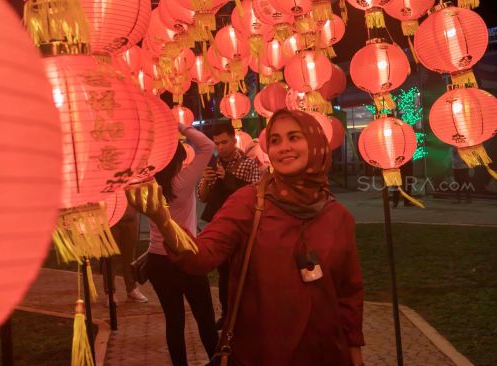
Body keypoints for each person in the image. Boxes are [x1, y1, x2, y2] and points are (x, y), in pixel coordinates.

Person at [129, 110, 365, 366]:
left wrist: (355, 353)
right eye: (275, 140)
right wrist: (163, 220)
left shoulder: (338, 217)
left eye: (293, 137)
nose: (283, 147)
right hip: (262, 350)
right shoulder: (249, 202)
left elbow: (348, 293)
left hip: (325, 351)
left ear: (316, 144)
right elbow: (202, 256)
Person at [147, 123, 219, 366]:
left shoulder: (149, 185)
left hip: (157, 260)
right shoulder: (182, 182)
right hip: (186, 256)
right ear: (179, 159)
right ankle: (217, 361)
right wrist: (178, 126)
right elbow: (207, 146)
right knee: (205, 319)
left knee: (174, 321)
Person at [197, 123, 260, 327]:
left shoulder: (248, 164)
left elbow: (256, 194)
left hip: (243, 228)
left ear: (234, 140)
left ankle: (247, 314)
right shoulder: (213, 165)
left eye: (224, 142)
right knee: (224, 274)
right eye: (217, 144)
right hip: (220, 227)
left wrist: (228, 178)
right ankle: (227, 315)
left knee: (245, 271)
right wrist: (207, 181)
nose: (221, 147)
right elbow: (203, 198)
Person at [101, 204, 148, 305]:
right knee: (111, 258)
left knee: (130, 257)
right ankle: (110, 292)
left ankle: (131, 290)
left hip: (130, 218)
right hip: (111, 220)